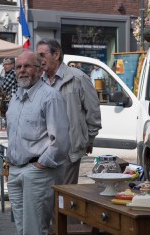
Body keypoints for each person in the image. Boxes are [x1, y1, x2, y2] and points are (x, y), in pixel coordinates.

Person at [6, 50, 70, 235]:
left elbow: (61, 141)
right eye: (19, 67)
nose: (22, 70)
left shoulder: (50, 96)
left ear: (40, 69)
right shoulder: (15, 98)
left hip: (38, 172)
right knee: (22, 229)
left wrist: (40, 165)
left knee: (35, 230)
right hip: (16, 171)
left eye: (27, 66)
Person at [36, 38, 102, 185]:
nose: (39, 59)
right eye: (38, 55)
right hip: (43, 150)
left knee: (64, 198)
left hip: (68, 150)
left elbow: (93, 113)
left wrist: (86, 140)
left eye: (42, 55)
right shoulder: (39, 81)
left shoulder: (78, 78)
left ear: (56, 54)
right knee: (46, 197)